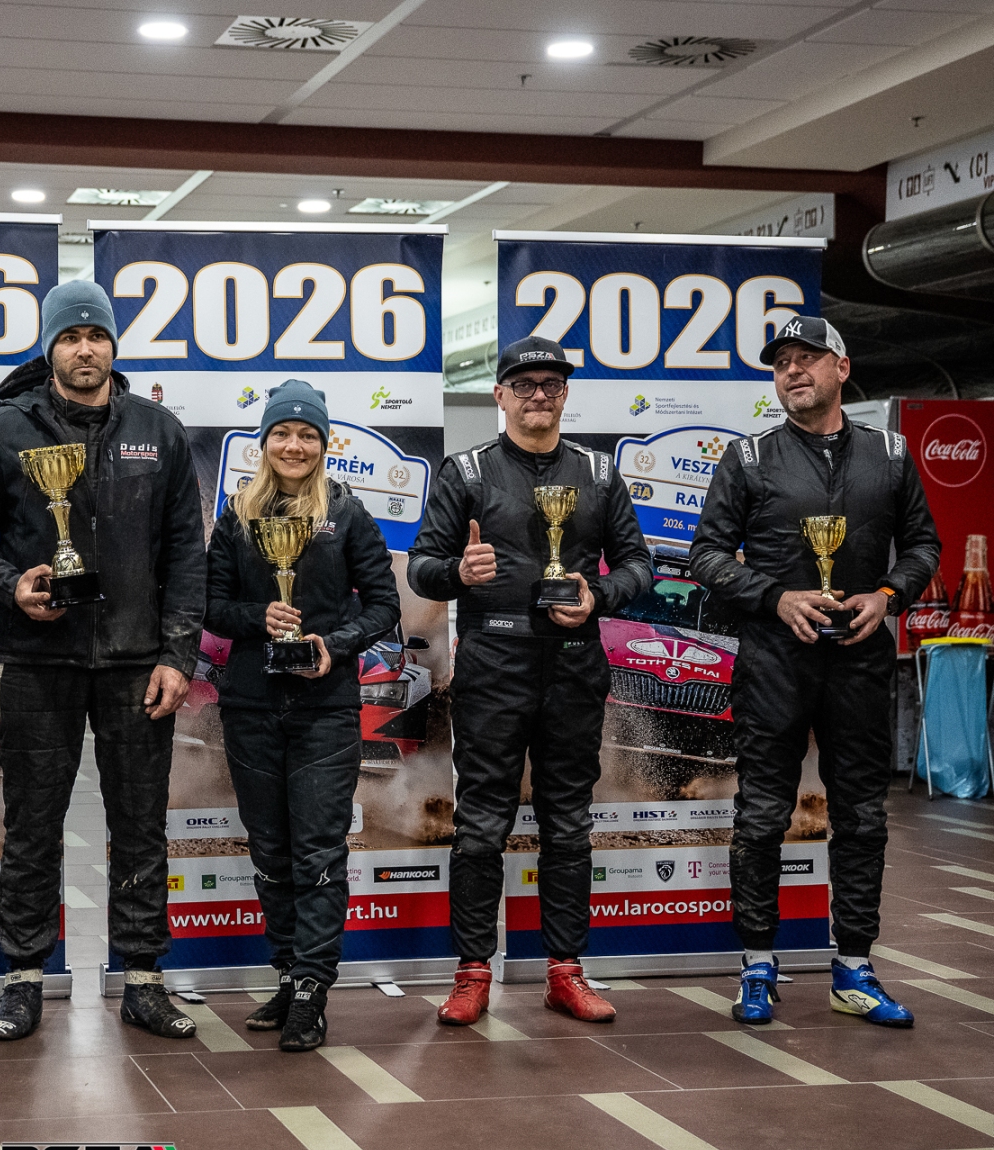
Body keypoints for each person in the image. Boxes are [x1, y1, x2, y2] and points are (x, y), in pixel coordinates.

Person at [0, 280, 206, 1041]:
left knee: (140, 824)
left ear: (113, 346)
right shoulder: (5, 431)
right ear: (50, 348)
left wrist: (178, 655)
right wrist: (10, 584)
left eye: (97, 336)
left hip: (137, 663)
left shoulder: (158, 429)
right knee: (32, 822)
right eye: (70, 337)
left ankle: (143, 979)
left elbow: (185, 553)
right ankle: (24, 979)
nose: (85, 349)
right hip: (37, 661)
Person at [689, 316, 940, 1027]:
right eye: (782, 363)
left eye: (808, 358)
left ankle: (854, 969)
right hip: (774, 662)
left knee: (861, 817)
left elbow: (923, 546)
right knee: (762, 815)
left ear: (842, 368)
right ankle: (756, 965)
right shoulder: (747, 457)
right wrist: (776, 597)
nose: (793, 371)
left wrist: (887, 595)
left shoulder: (891, 454)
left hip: (860, 660)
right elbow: (706, 554)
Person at [408, 335, 651, 1026]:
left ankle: (565, 973)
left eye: (551, 384)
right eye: (524, 384)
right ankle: (472, 973)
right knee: (481, 824)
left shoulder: (599, 474)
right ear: (500, 395)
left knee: (568, 822)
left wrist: (599, 596)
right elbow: (422, 565)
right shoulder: (466, 471)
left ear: (565, 394)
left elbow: (638, 565)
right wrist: (459, 572)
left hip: (574, 665)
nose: (538, 395)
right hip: (494, 664)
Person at [204, 382, 400, 1051]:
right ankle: (288, 975)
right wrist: (257, 616)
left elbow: (384, 606)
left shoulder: (346, 511)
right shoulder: (236, 515)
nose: (294, 445)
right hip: (251, 707)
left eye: (307, 435)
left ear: (323, 442)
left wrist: (334, 644)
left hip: (325, 709)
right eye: (282, 433)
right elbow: (212, 606)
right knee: (269, 851)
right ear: (265, 442)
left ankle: (314, 988)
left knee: (317, 852)